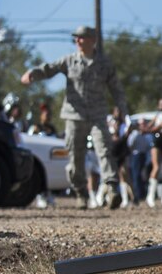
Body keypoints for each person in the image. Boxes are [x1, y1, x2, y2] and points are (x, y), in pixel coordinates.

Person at [21, 25, 129, 209]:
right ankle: (81, 192)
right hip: (74, 115)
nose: (78, 41)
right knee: (75, 155)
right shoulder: (69, 61)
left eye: (82, 38)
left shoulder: (104, 64)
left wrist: (123, 109)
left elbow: (116, 89)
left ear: (93, 40)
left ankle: (111, 188)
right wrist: (32, 74)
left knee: (104, 148)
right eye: (76, 38)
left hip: (97, 114)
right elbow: (49, 69)